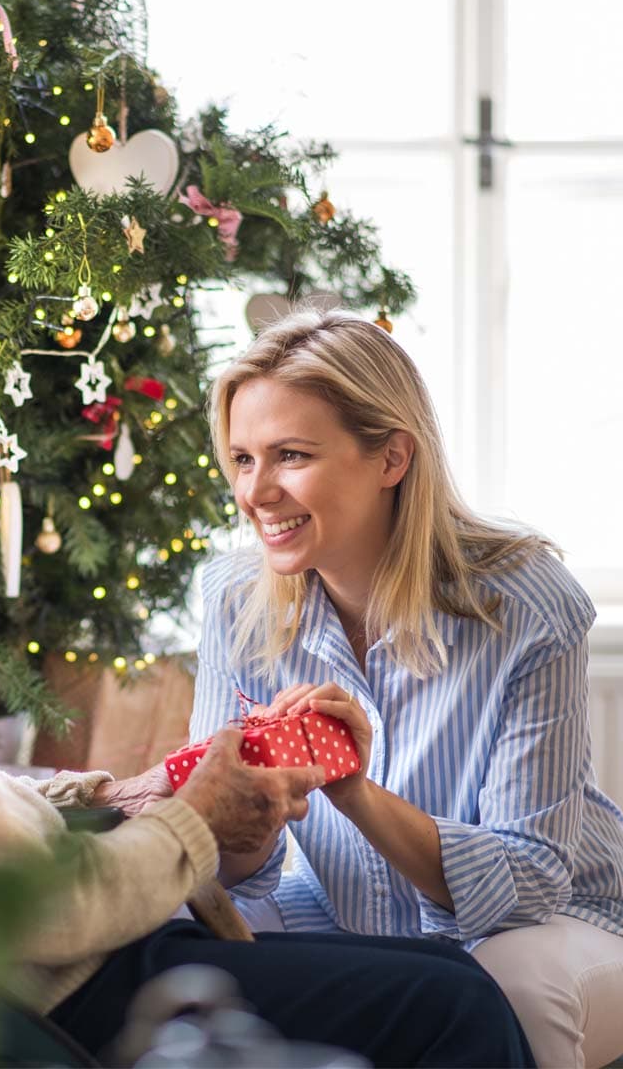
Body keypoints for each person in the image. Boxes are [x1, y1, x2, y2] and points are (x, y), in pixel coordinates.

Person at [0, 332, 533, 1067]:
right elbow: (50, 909)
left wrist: (117, 792)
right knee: (458, 1006)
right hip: (60, 1006)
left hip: (67, 982)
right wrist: (197, 817)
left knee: (451, 978)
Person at [192, 308, 623, 1068]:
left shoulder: (525, 603)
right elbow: (235, 869)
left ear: (392, 458)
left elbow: (529, 878)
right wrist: (244, 818)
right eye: (242, 459)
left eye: (290, 455)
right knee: (196, 964)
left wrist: (354, 789)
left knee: (508, 987)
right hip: (342, 909)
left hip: (556, 919)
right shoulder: (235, 600)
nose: (256, 492)